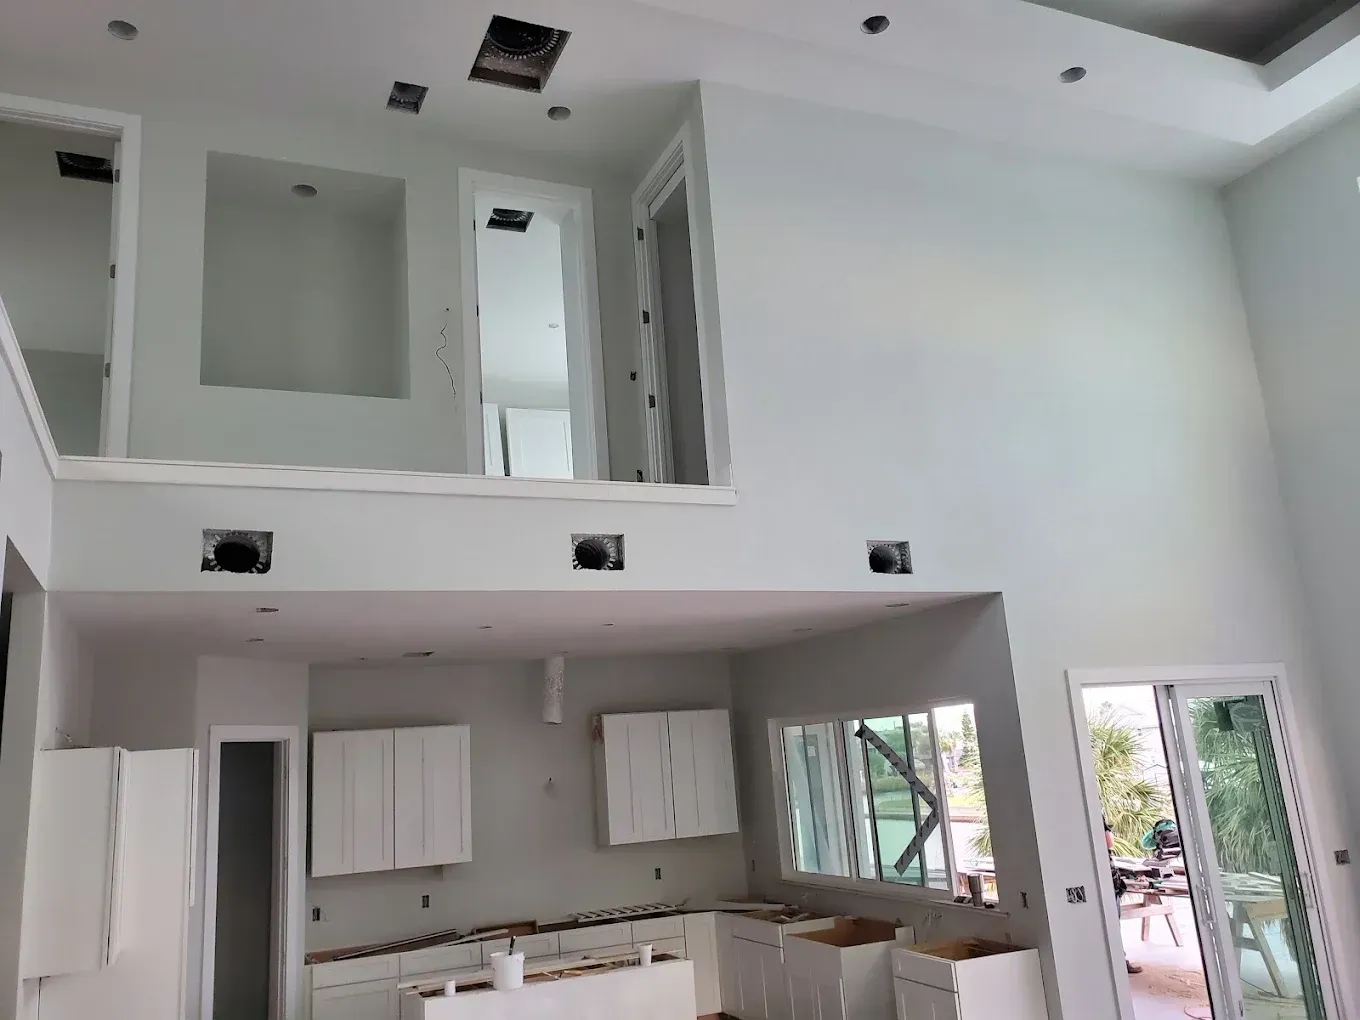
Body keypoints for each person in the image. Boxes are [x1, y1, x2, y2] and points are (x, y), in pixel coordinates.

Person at [1105, 816, 1143, 975]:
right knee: (1112, 924)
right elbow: (1108, 841)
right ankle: (1118, 962)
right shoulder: (1094, 814)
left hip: (1100, 878)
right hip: (1106, 879)